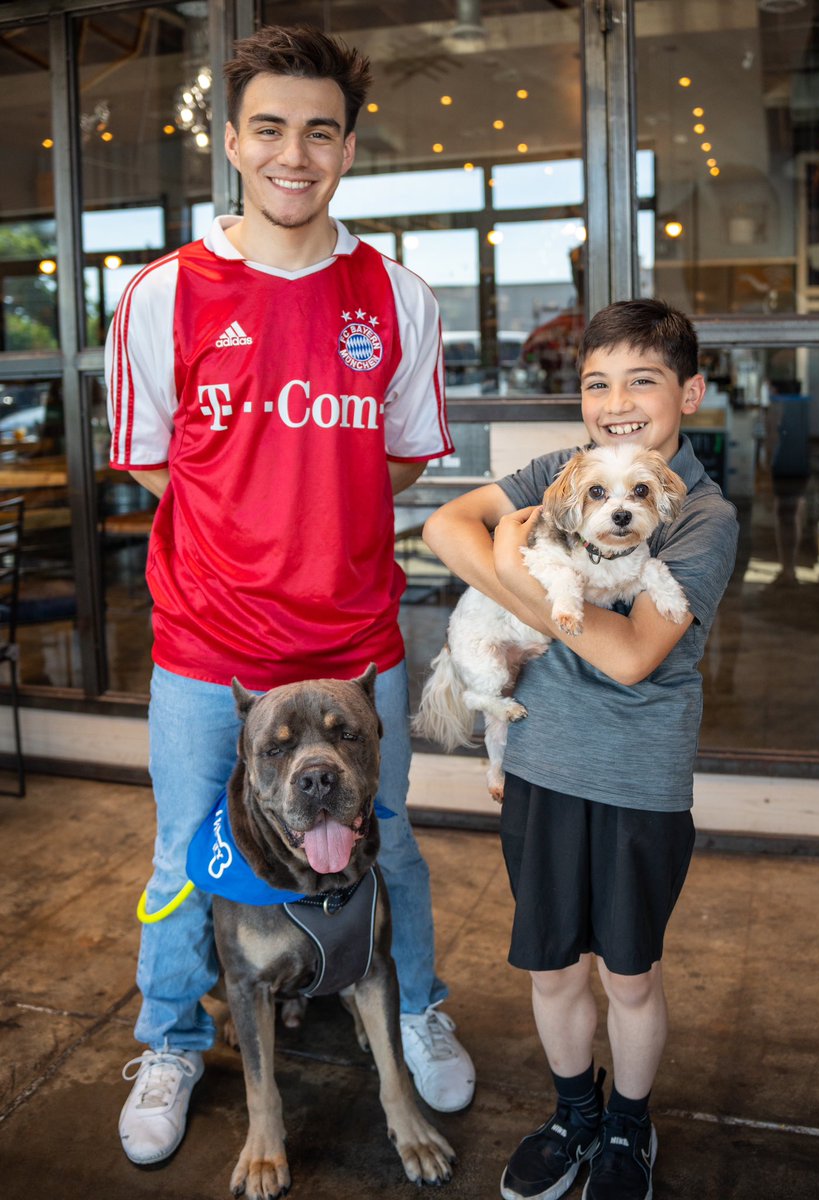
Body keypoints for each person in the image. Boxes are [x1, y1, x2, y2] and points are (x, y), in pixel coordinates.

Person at [106, 24, 474, 1167]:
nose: (293, 154)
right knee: (185, 856)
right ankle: (169, 1040)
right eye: (269, 128)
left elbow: (400, 458)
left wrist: (316, 508)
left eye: (319, 131)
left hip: (356, 644)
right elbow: (159, 459)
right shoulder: (163, 294)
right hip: (208, 648)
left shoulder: (396, 297)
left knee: (389, 841)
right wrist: (245, 524)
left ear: (350, 147)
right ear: (231, 140)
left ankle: (411, 1013)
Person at [423, 299, 738, 1200]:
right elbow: (446, 527)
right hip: (540, 764)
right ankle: (575, 1114)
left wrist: (516, 574)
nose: (617, 401)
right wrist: (528, 583)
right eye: (598, 382)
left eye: (643, 379)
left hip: (638, 779)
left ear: (692, 392)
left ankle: (630, 1129)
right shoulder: (565, 470)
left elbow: (633, 655)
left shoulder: (701, 517)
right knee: (554, 963)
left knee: (628, 975)